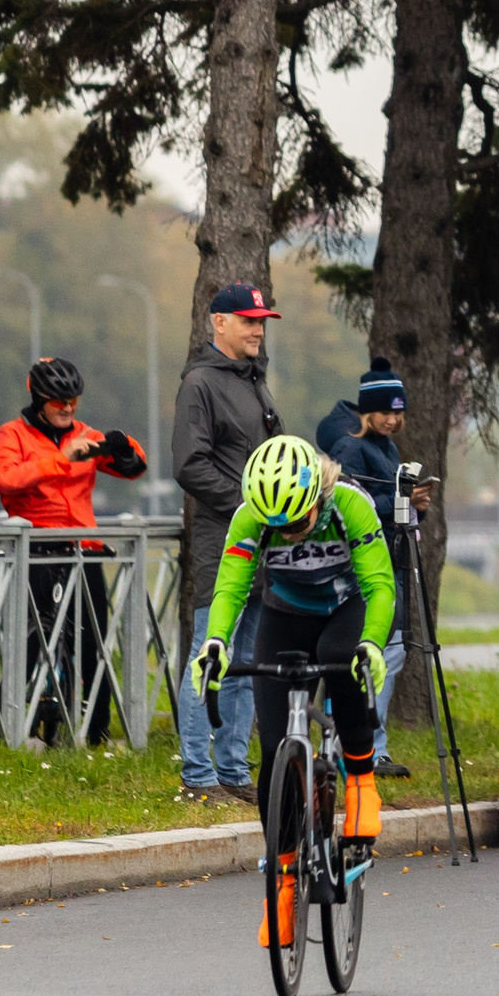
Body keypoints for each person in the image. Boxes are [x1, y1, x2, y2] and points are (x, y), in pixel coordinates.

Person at [186, 436, 394, 950]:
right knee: (274, 755)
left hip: (347, 608)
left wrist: (371, 644)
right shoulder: (251, 517)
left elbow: (381, 585)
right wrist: (214, 643)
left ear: (318, 493)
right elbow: (231, 587)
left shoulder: (349, 503)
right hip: (285, 616)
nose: (289, 534)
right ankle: (280, 886)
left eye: (298, 523)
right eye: (278, 527)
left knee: (345, 664)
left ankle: (362, 781)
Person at [0, 357, 148, 745]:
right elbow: (8, 479)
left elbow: (134, 468)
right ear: (38, 398)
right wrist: (63, 460)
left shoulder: (84, 433)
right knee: (29, 643)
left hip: (84, 545)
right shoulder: (13, 434)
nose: (66, 409)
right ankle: (2, 737)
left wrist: (122, 446)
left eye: (73, 402)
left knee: (92, 644)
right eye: (58, 402)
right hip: (37, 545)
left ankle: (97, 735)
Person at [171, 282, 284, 803]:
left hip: (264, 544)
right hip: (224, 544)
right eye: (247, 320)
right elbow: (189, 465)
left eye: (262, 320)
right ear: (219, 323)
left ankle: (234, 772)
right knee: (210, 655)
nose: (258, 328)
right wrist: (248, 507)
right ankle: (198, 776)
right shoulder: (200, 383)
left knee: (248, 660)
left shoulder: (253, 380)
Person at [317, 359, 432, 778]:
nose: (392, 419)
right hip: (365, 564)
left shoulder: (386, 447)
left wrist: (413, 507)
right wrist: (399, 504)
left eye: (398, 412)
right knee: (381, 651)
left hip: (391, 556)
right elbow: (349, 509)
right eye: (384, 411)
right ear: (367, 410)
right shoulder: (351, 449)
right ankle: (363, 745)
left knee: (393, 650)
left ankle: (366, 744)